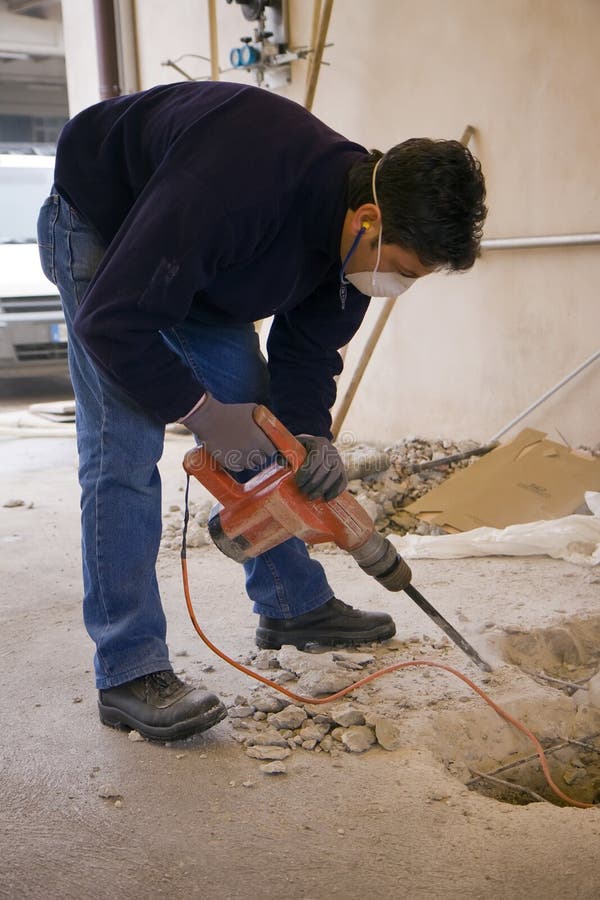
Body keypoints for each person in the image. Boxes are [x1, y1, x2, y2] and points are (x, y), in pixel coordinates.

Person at [37, 80, 486, 742]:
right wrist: (201, 412)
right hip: (106, 228)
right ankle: (129, 668)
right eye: (403, 269)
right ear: (368, 220)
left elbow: (307, 352)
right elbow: (116, 320)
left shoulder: (355, 247)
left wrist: (311, 437)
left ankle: (291, 606)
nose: (395, 285)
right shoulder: (238, 183)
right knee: (122, 449)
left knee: (263, 440)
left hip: (199, 264)